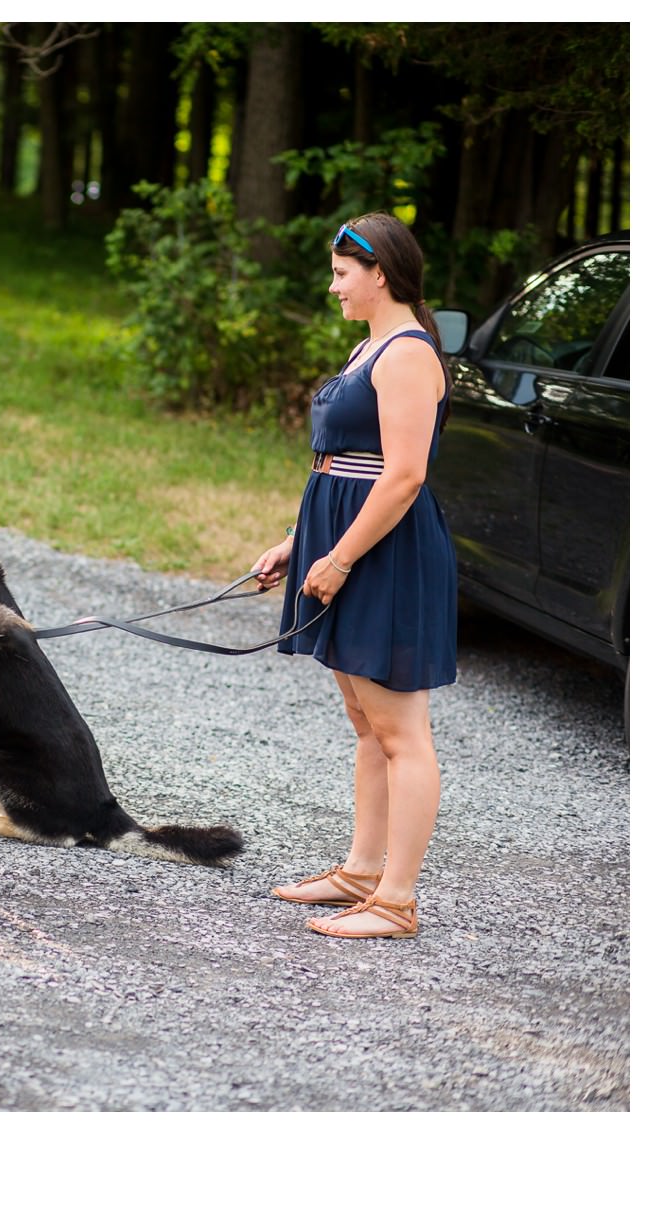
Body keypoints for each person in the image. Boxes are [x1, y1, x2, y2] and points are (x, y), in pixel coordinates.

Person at [252, 213, 457, 939]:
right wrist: (295, 542)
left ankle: (397, 901)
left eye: (343, 272)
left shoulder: (406, 354)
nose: (333, 284)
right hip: (345, 539)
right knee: (366, 723)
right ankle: (362, 871)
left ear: (381, 275)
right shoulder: (368, 345)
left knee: (401, 730)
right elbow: (343, 466)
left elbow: (403, 476)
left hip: (386, 552)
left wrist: (339, 558)